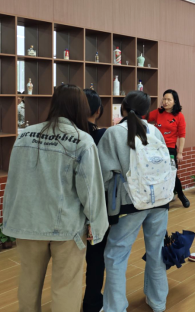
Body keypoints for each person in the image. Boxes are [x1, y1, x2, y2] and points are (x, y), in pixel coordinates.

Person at [2, 84, 108, 311]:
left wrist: (9, 218)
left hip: (27, 223)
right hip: (66, 227)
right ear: (81, 107)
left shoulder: (25, 135)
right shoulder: (82, 140)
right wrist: (96, 225)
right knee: (66, 287)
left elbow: (14, 181)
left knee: (28, 282)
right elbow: (90, 190)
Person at [99, 91, 172, 311]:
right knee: (156, 251)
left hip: (129, 203)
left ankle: (115, 308)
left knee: (116, 255)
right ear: (146, 111)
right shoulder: (155, 131)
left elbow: (104, 174)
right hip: (160, 200)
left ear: (123, 108)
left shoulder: (113, 133)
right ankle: (158, 301)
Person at [82, 89, 108, 312]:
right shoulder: (103, 136)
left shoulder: (66, 135)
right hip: (96, 206)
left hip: (69, 207)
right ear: (98, 111)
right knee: (96, 257)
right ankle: (92, 302)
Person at [147, 89, 190, 208]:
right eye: (164, 99)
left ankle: (181, 195)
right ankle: (161, 199)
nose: (165, 102)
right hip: (156, 149)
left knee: (172, 174)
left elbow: (182, 136)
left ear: (175, 101)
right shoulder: (158, 112)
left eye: (169, 99)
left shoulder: (179, 116)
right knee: (158, 174)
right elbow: (144, 118)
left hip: (170, 150)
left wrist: (180, 153)